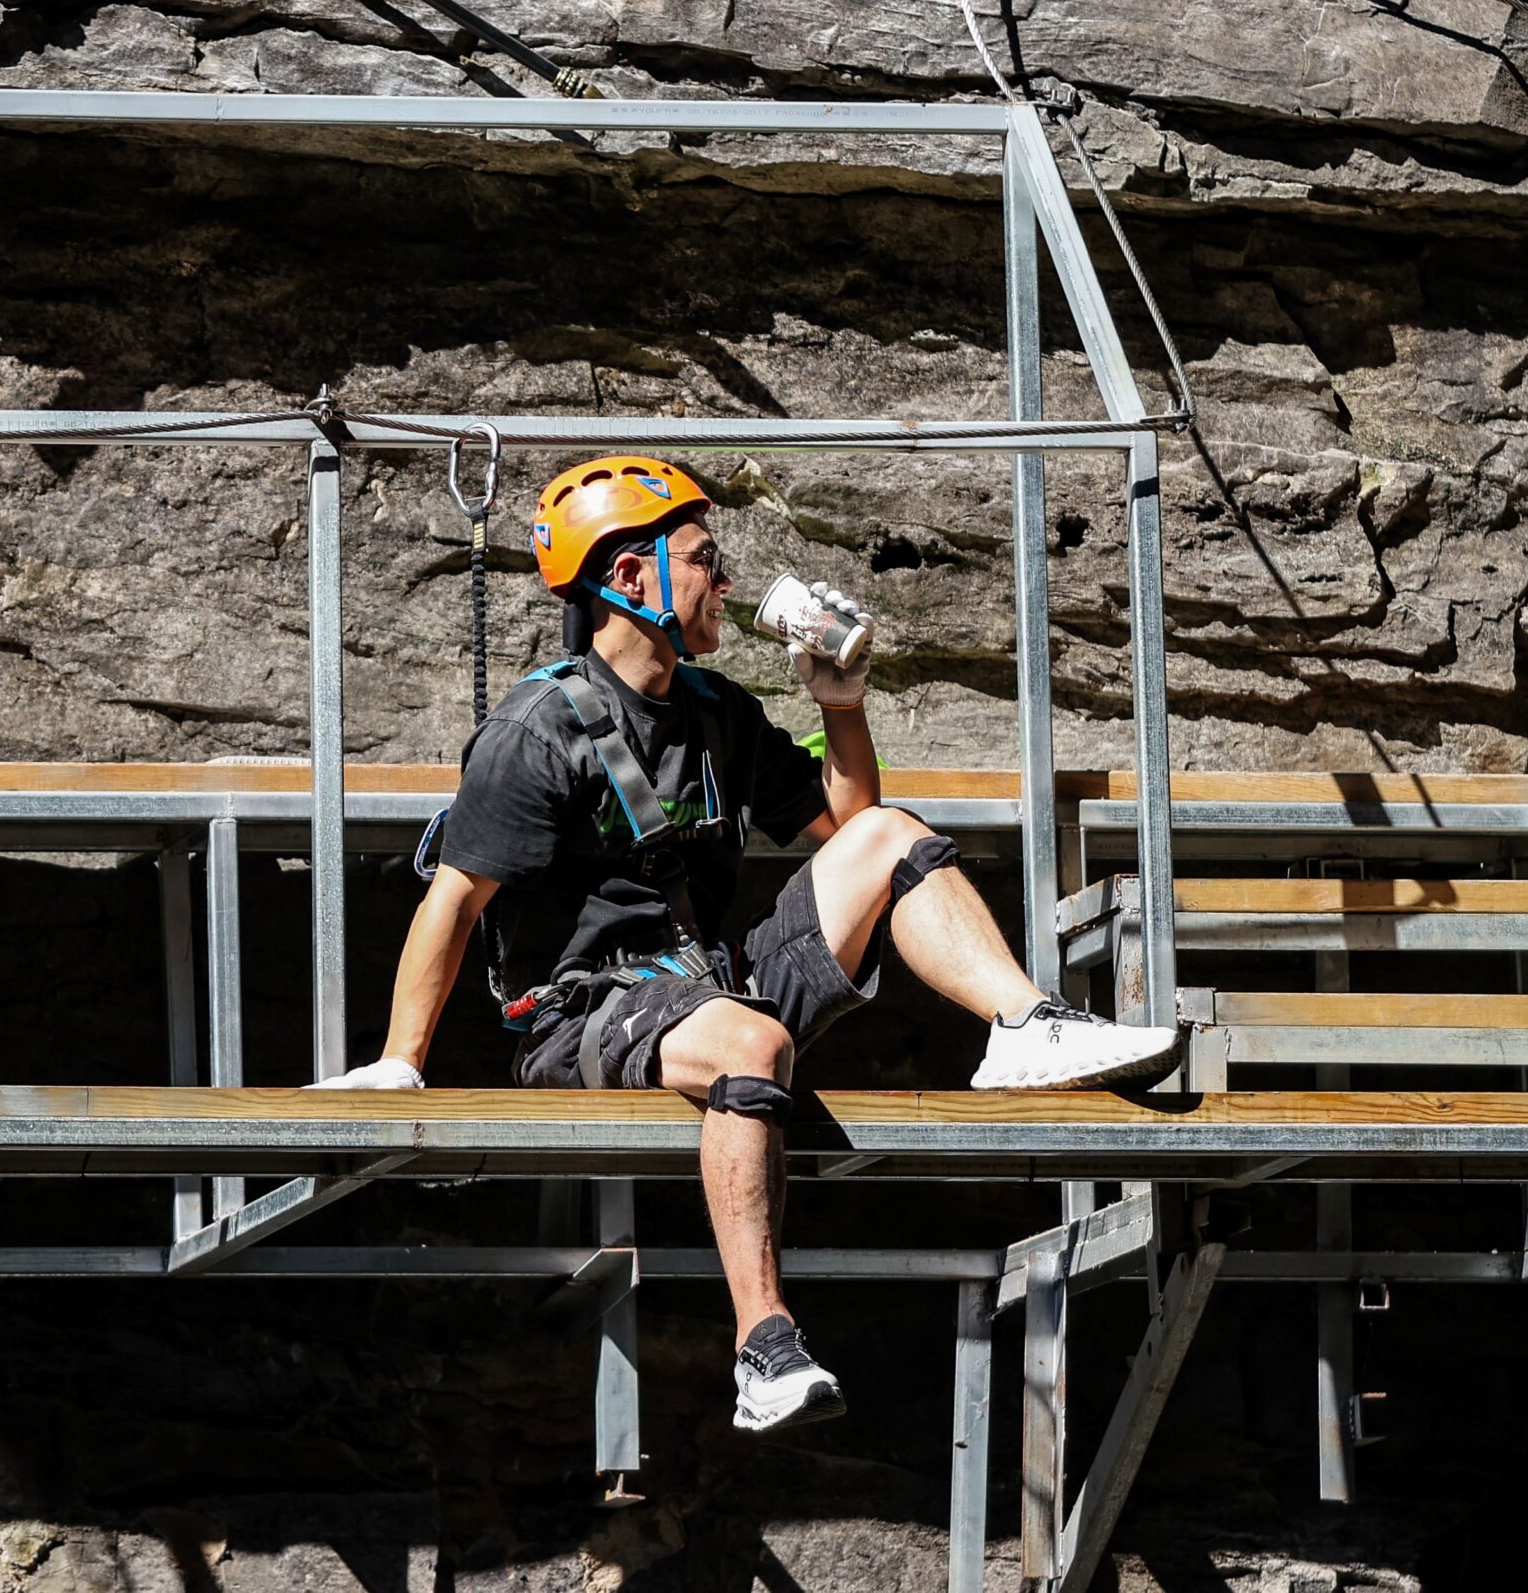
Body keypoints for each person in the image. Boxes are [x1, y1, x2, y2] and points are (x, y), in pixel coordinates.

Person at [314, 456, 1180, 1432]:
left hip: (709, 987)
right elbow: (455, 899)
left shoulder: (718, 711)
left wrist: (841, 704)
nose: (725, 581)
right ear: (628, 577)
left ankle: (1024, 1024)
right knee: (750, 1041)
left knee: (891, 834)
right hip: (582, 1013)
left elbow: (848, 828)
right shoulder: (537, 729)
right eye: (703, 559)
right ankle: (763, 1347)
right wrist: (400, 1063)